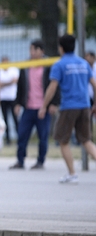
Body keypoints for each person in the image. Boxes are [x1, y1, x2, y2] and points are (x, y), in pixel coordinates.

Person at [39, 34, 96, 184]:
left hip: (69, 107)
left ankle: (72, 174)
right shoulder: (84, 63)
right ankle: (71, 173)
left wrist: (44, 106)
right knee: (86, 141)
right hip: (84, 106)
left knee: (63, 141)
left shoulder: (59, 65)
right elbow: (94, 85)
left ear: (61, 48)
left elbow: (52, 88)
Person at [9, 39, 60, 170]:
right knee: (22, 134)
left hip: (43, 107)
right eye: (30, 49)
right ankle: (20, 160)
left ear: (41, 51)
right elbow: (20, 87)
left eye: (34, 50)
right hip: (28, 107)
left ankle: (40, 161)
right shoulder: (26, 66)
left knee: (43, 136)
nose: (32, 52)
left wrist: (54, 103)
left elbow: (55, 86)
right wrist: (17, 103)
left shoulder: (48, 65)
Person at [0, 55, 20, 145]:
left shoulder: (13, 70)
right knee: (5, 120)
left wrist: (4, 84)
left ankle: (20, 138)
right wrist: (9, 82)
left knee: (15, 119)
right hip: (3, 98)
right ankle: (8, 139)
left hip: (13, 98)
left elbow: (15, 81)